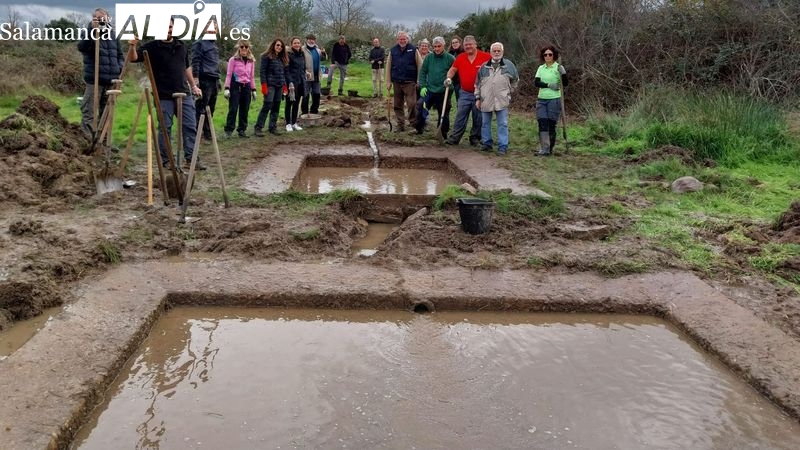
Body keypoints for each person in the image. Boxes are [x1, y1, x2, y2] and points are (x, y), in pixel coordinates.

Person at [129, 17, 205, 170]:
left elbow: (186, 68)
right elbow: (133, 58)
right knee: (165, 128)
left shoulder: (181, 45)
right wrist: (132, 47)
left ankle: (191, 159)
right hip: (163, 95)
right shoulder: (151, 47)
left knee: (190, 126)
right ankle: (168, 160)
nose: (168, 30)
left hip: (184, 93)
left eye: (171, 27)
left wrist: (193, 86)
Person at [77, 8, 124, 138]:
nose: (101, 21)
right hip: (95, 79)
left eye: (104, 18)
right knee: (89, 111)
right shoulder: (89, 32)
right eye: (98, 18)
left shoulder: (113, 35)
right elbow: (82, 47)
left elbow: (120, 55)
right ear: (94, 19)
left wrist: (119, 68)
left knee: (107, 113)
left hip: (111, 81)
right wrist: (92, 30)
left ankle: (104, 142)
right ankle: (87, 141)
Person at [444, 35, 490, 146]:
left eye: (470, 44)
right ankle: (455, 138)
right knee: (460, 115)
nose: (468, 47)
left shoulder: (486, 57)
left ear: (475, 44)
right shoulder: (460, 57)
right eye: (466, 45)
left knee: (478, 117)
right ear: (463, 46)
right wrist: (449, 77)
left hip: (480, 93)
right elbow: (453, 69)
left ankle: (475, 138)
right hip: (464, 92)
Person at [475, 42, 519, 155]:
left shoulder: (509, 65)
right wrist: (478, 98)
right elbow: (477, 84)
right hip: (486, 100)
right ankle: (487, 143)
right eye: (494, 51)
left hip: (502, 100)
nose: (496, 53)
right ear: (490, 52)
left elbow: (515, 81)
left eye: (498, 51)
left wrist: (509, 92)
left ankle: (503, 146)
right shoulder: (483, 67)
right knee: (485, 123)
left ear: (502, 52)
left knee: (503, 123)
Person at [416, 36, 454, 136]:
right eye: (435, 46)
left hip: (443, 90)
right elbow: (423, 72)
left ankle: (442, 133)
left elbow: (455, 73)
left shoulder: (450, 58)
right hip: (429, 89)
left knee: (444, 111)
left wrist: (450, 83)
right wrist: (423, 85)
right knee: (420, 106)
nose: (436, 49)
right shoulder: (429, 57)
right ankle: (419, 128)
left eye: (439, 46)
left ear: (443, 45)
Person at [534, 45, 568, 156]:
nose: (547, 56)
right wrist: (548, 85)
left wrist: (562, 73)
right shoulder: (541, 68)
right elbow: (536, 83)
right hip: (542, 99)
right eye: (545, 54)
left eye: (550, 54)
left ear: (554, 55)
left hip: (554, 100)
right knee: (542, 123)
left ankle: (550, 149)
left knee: (551, 124)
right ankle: (544, 149)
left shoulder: (558, 67)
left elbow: (565, 83)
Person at [385, 31, 422, 132]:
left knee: (412, 104)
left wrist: (419, 79)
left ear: (407, 40)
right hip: (397, 81)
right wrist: (388, 82)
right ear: (397, 40)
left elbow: (420, 65)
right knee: (397, 105)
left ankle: (413, 123)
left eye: (404, 39)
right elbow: (388, 67)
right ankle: (400, 125)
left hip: (410, 82)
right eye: (400, 39)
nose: (402, 40)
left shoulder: (414, 50)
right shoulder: (393, 51)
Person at [191, 21, 220, 141]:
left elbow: (215, 63)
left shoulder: (214, 45)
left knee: (211, 108)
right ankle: (195, 134)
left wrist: (218, 80)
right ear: (205, 30)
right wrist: (196, 79)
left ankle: (207, 132)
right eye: (210, 28)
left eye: (215, 29)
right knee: (201, 107)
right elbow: (195, 61)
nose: (213, 31)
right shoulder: (199, 44)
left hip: (214, 79)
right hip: (204, 79)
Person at [222, 39, 256, 138]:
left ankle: (242, 129)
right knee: (233, 108)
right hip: (235, 85)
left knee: (245, 109)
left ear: (249, 48)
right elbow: (228, 75)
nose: (244, 49)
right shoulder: (233, 60)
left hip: (247, 86)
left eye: (246, 47)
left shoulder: (251, 61)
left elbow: (252, 76)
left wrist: (253, 90)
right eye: (242, 47)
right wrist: (227, 88)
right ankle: (229, 130)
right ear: (239, 48)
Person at [254, 39, 288, 136]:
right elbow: (262, 72)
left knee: (276, 106)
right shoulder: (266, 56)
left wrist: (284, 85)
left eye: (281, 46)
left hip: (279, 85)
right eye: (278, 45)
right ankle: (258, 127)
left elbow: (283, 73)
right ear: (273, 45)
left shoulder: (282, 58)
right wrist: (264, 85)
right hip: (270, 85)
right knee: (267, 105)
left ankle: (272, 127)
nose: (279, 47)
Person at [284, 37, 306, 132]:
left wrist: (306, 74)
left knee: (296, 103)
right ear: (291, 44)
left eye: (298, 43)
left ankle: (294, 123)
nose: (297, 44)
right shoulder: (288, 55)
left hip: (301, 82)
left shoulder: (302, 54)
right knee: (289, 103)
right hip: (291, 83)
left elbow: (303, 68)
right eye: (295, 43)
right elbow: (286, 70)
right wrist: (290, 82)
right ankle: (288, 124)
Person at [301, 34, 326, 115]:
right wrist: (304, 71)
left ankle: (314, 111)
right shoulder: (302, 49)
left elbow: (324, 59)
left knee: (317, 94)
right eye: (310, 39)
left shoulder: (317, 50)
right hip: (307, 76)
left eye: (313, 39)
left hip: (316, 76)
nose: (311, 41)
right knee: (306, 95)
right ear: (306, 40)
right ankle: (304, 112)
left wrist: (324, 53)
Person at [447, 35, 464, 101]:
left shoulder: (463, 52)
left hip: (461, 79)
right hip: (453, 79)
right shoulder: (450, 54)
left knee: (460, 98)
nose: (454, 44)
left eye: (456, 42)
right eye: (453, 43)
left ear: (460, 43)